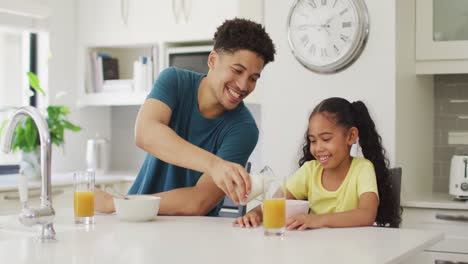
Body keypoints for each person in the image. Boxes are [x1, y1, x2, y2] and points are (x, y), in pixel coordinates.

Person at [95, 18, 276, 216]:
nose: (243, 85)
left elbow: (197, 202)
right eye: (237, 71)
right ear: (213, 60)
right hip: (136, 223)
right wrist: (214, 165)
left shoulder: (244, 129)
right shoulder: (174, 81)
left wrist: (117, 203)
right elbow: (145, 133)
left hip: (192, 236)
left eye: (253, 78)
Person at [234, 97, 401, 229]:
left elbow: (366, 214)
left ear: (350, 136)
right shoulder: (310, 171)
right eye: (313, 140)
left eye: (326, 139)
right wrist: (256, 213)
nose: (318, 148)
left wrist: (318, 220)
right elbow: (277, 201)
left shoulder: (362, 169)